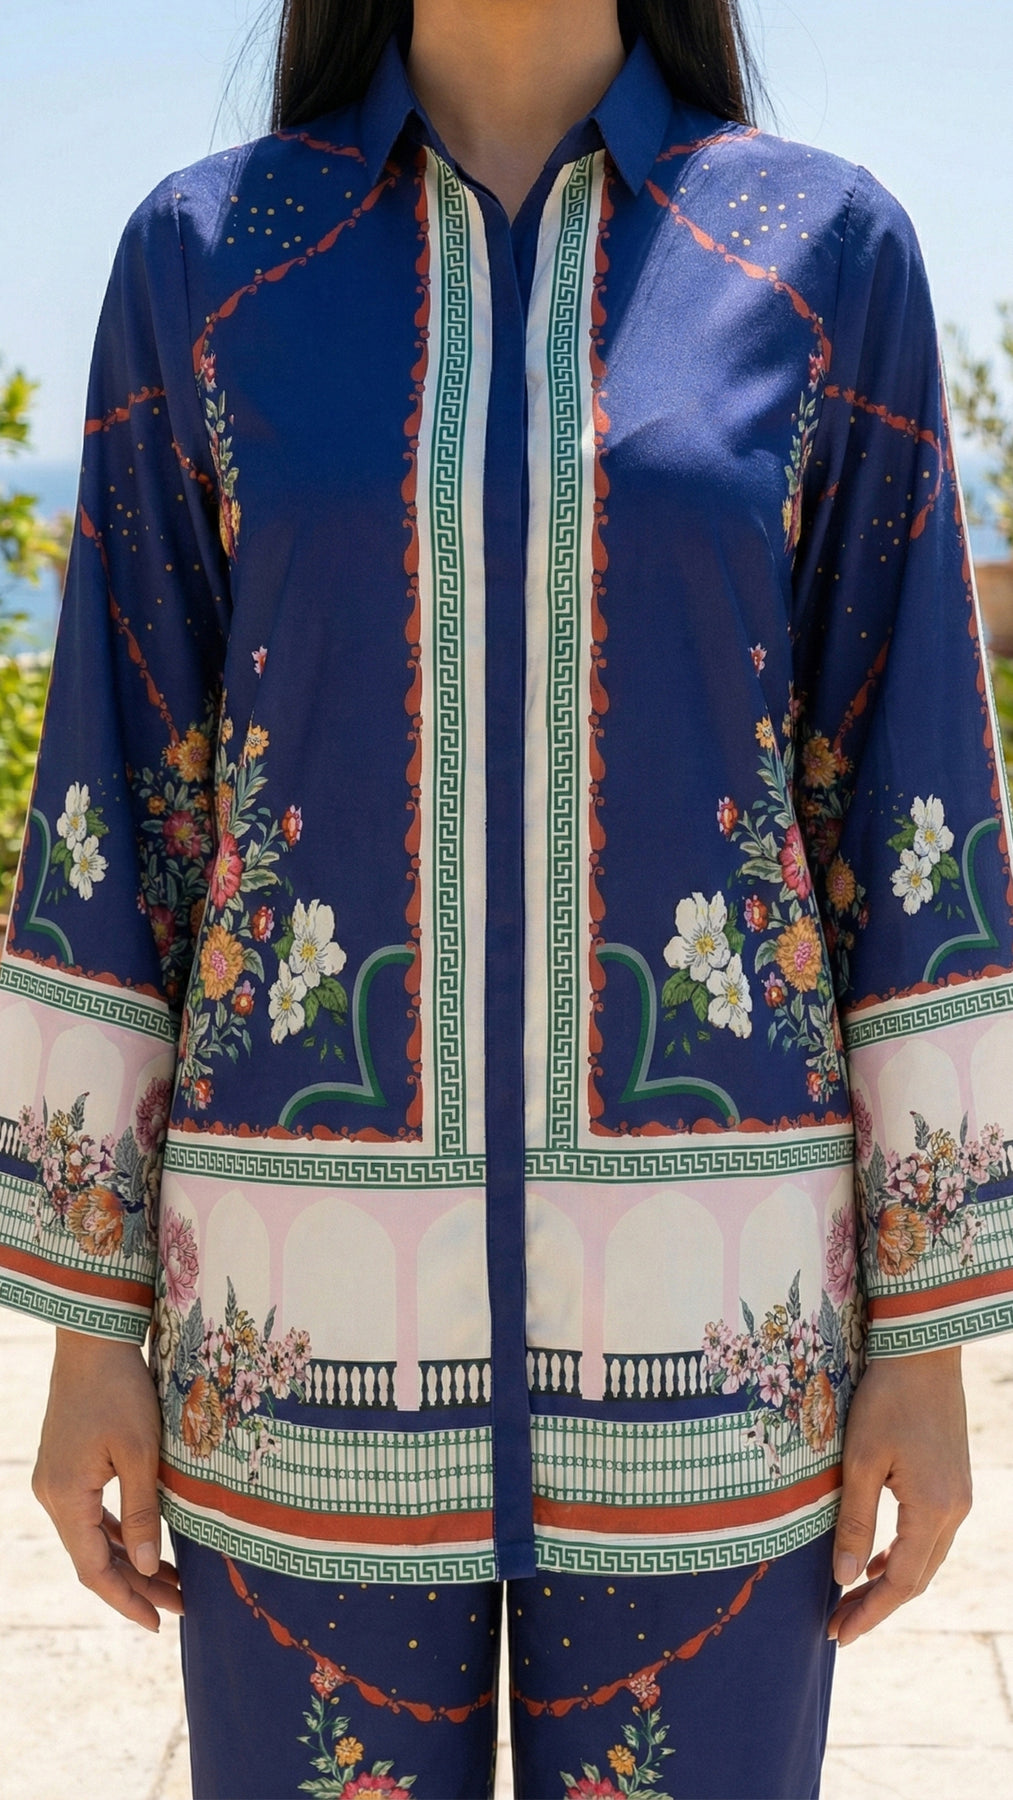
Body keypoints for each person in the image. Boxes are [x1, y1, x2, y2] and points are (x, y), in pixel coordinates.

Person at [1, 1, 1011, 1794]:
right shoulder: (209, 260)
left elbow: (901, 779)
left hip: (719, 1343)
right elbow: (128, 776)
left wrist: (923, 1345)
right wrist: (90, 1332)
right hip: (289, 1343)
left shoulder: (818, 255)